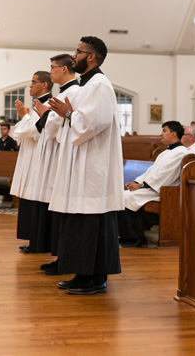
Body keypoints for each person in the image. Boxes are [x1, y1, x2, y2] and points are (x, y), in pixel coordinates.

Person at [47, 36, 123, 295]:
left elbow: (94, 122)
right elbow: (78, 121)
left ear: (91, 56)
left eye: (78, 51)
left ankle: (95, 278)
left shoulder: (100, 85)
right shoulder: (85, 86)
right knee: (80, 222)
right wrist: (67, 115)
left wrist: (68, 114)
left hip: (93, 164)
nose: (73, 56)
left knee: (92, 222)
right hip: (82, 161)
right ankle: (82, 274)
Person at [28, 55, 78, 273]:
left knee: (64, 212)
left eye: (53, 67)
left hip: (63, 156)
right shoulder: (65, 92)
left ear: (64, 69)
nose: (50, 72)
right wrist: (45, 117)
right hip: (59, 153)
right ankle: (60, 257)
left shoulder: (73, 92)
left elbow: (58, 126)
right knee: (59, 211)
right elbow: (53, 124)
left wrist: (46, 116)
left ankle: (64, 259)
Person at [118, 121, 187, 248]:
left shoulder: (181, 153)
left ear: (173, 133)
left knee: (127, 198)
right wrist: (136, 182)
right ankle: (126, 236)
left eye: (164, 131)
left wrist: (141, 186)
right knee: (124, 195)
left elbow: (165, 176)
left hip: (166, 192)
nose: (161, 134)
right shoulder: (165, 152)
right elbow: (150, 172)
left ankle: (136, 238)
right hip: (153, 188)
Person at [11, 70, 53, 254]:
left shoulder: (49, 105)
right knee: (29, 199)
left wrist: (23, 116)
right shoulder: (38, 105)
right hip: (31, 157)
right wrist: (26, 117)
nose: (30, 85)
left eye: (34, 82)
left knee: (38, 200)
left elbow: (34, 131)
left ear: (44, 84)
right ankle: (34, 240)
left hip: (41, 160)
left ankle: (40, 242)